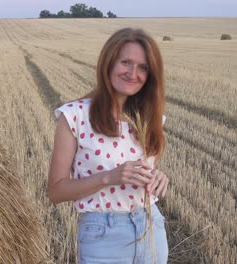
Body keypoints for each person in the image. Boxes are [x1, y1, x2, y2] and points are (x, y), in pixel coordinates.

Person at [47, 27, 169, 264]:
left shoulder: (151, 117)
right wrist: (109, 177)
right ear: (109, 63)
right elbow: (56, 191)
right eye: (126, 62)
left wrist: (158, 177)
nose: (133, 73)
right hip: (103, 236)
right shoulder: (75, 116)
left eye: (143, 67)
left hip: (151, 228)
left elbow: (144, 170)